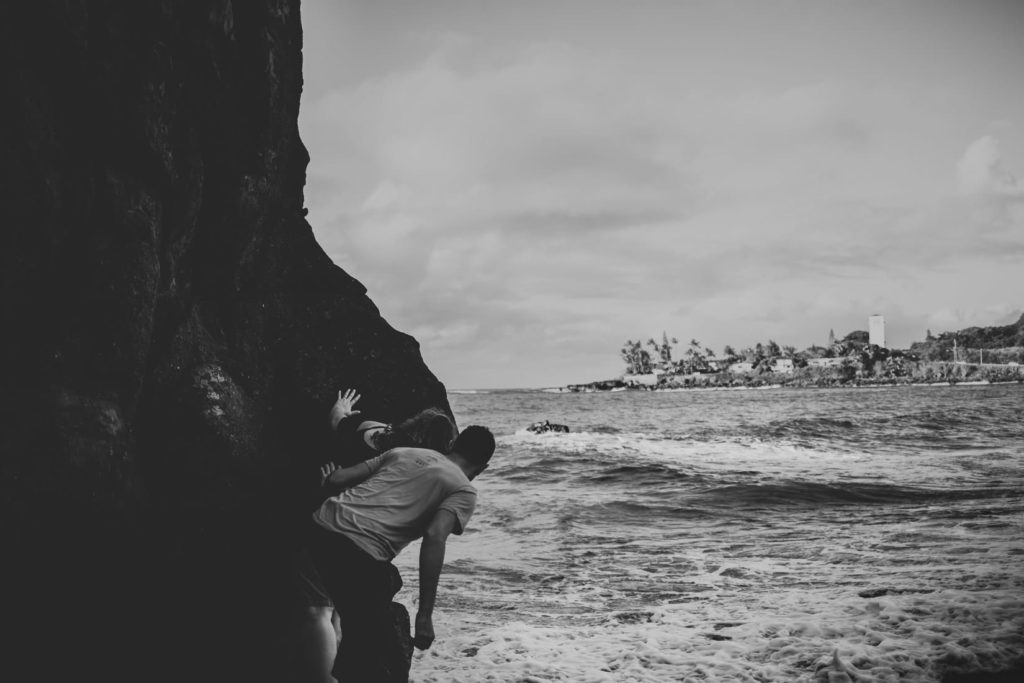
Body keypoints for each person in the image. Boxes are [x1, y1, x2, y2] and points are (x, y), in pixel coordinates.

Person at [301, 424, 496, 681]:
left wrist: (330, 477)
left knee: (322, 612)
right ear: (482, 469)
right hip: (360, 553)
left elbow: (338, 479)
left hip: (319, 527)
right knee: (368, 643)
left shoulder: (402, 452)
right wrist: (424, 615)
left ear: (452, 445)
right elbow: (435, 536)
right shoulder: (463, 489)